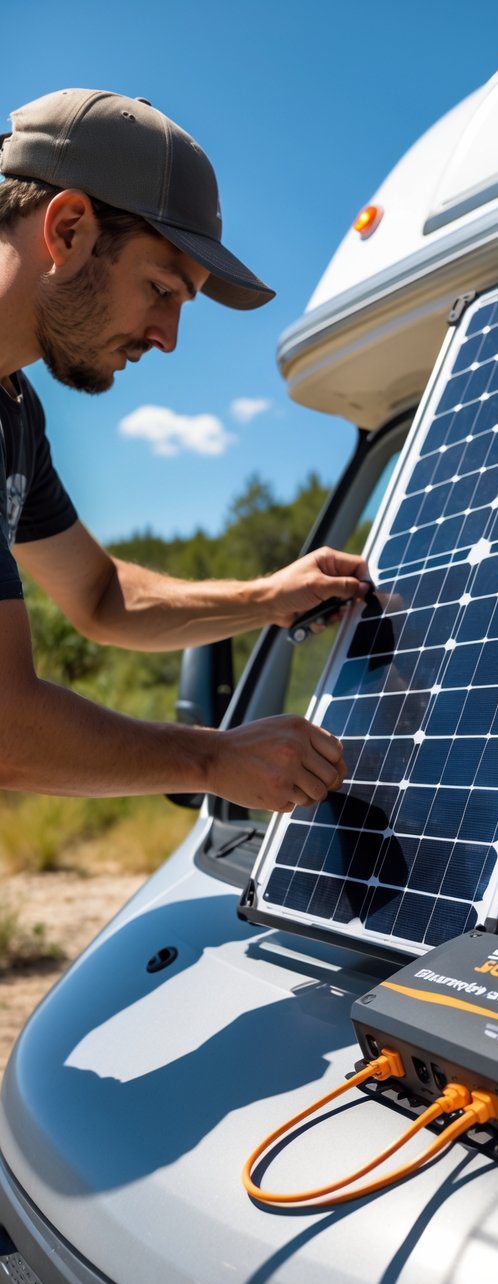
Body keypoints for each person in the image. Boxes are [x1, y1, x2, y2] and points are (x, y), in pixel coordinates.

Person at [0, 89, 369, 814]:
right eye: (161, 289)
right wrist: (211, 758)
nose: (167, 336)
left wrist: (268, 598)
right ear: (68, 228)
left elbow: (102, 597)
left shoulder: (16, 416)